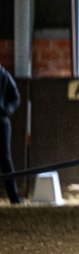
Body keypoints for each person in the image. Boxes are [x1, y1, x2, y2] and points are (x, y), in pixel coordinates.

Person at [1, 64, 23, 204]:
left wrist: (6, 110)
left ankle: (14, 197)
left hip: (1, 121)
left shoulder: (4, 76)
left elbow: (16, 98)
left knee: (5, 158)